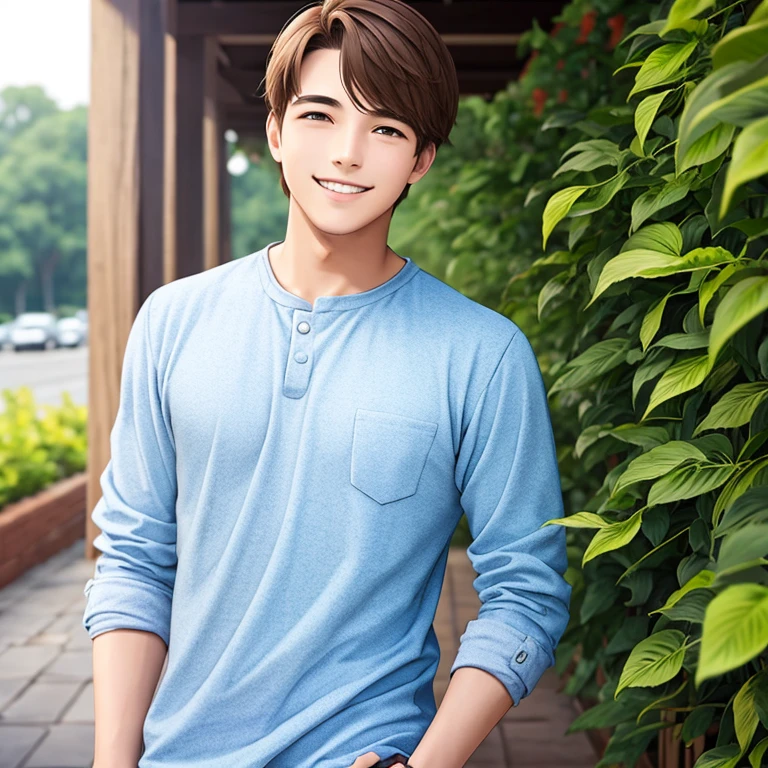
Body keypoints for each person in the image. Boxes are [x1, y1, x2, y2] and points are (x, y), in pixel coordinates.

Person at [83, 1, 572, 766]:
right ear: (276, 131)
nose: (347, 152)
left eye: (385, 128)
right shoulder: (172, 322)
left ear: (420, 159)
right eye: (319, 115)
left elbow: (526, 591)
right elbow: (136, 558)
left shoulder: (483, 353)